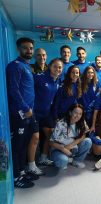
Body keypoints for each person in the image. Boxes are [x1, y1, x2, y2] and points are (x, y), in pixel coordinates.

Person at [6, 37, 37, 188]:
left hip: (29, 114)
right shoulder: (15, 66)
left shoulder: (26, 66)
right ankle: (16, 177)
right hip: (20, 113)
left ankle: (22, 171)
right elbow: (13, 90)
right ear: (18, 49)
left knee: (24, 144)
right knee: (17, 145)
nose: (29, 50)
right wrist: (25, 109)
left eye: (31, 48)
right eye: (25, 48)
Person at [28, 58, 63, 177]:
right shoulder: (39, 77)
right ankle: (31, 166)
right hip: (35, 113)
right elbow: (28, 91)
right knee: (35, 138)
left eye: (60, 67)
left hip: (47, 113)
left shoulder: (58, 80)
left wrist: (54, 115)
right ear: (50, 66)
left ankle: (43, 158)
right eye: (55, 66)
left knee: (50, 135)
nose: (57, 69)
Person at [50, 104, 91, 169]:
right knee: (63, 162)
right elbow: (51, 143)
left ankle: (76, 161)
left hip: (72, 148)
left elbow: (84, 135)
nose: (78, 116)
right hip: (59, 149)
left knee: (88, 141)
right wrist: (64, 149)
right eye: (75, 113)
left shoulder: (82, 121)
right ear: (70, 112)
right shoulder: (61, 124)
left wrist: (71, 145)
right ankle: (63, 159)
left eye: (80, 114)